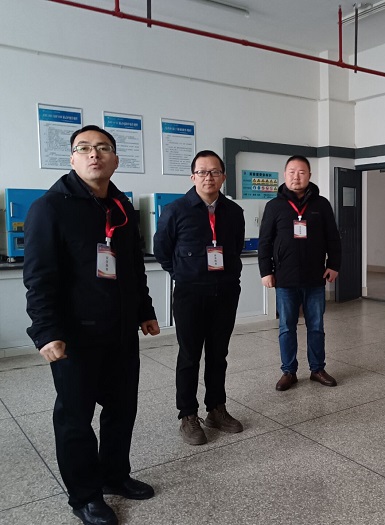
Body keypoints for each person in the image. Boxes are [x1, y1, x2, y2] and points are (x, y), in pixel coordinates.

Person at [23, 125, 160, 525]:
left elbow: (133, 267)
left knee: (121, 409)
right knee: (75, 419)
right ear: (72, 159)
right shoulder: (49, 207)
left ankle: (114, 475)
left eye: (102, 148)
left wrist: (145, 310)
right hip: (75, 337)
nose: (93, 154)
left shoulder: (121, 207)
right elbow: (39, 277)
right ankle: (84, 496)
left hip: (120, 332)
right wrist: (46, 331)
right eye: (83, 148)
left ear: (116, 160)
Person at [154, 150, 245, 446]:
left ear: (223, 177)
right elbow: (162, 251)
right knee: (189, 355)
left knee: (219, 355)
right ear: (192, 177)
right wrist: (184, 274)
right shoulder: (175, 210)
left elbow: (236, 247)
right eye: (202, 172)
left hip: (225, 293)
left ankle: (216, 409)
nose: (209, 177)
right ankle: (188, 415)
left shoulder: (234, 212)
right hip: (190, 295)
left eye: (215, 172)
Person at [258, 155, 342, 391]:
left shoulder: (321, 205)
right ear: (285, 175)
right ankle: (289, 371)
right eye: (292, 172)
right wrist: (266, 271)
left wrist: (334, 265)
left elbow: (333, 238)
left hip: (315, 278)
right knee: (287, 327)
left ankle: (317, 369)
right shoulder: (274, 206)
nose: (296, 176)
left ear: (309, 176)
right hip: (285, 279)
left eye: (302, 172)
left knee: (316, 326)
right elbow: (265, 241)